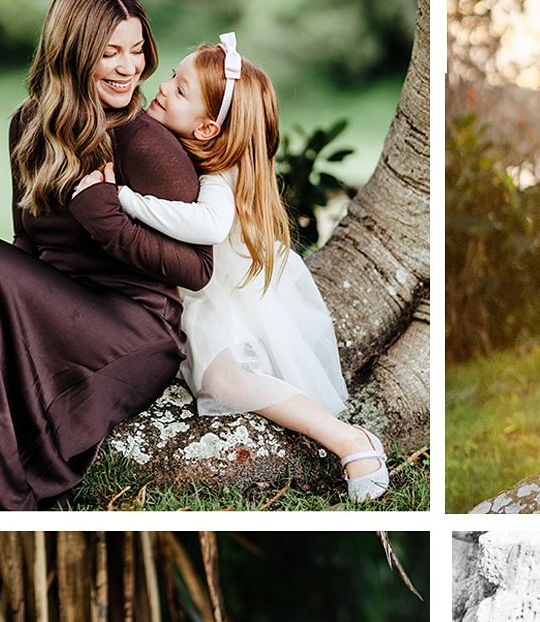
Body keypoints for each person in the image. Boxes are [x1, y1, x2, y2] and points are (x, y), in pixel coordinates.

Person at [0, 0, 212, 512]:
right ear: (71, 53)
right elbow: (24, 240)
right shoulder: (29, 127)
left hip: (132, 326)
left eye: (137, 50)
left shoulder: (146, 142)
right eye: (110, 53)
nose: (129, 68)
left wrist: (105, 217)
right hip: (56, 307)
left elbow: (197, 269)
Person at [78, 34, 389, 503]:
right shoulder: (190, 149)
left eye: (180, 90)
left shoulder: (218, 176)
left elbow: (209, 225)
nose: (162, 87)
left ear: (206, 129)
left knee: (223, 379)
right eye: (172, 77)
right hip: (204, 288)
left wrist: (124, 199)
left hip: (219, 296)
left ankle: (349, 441)